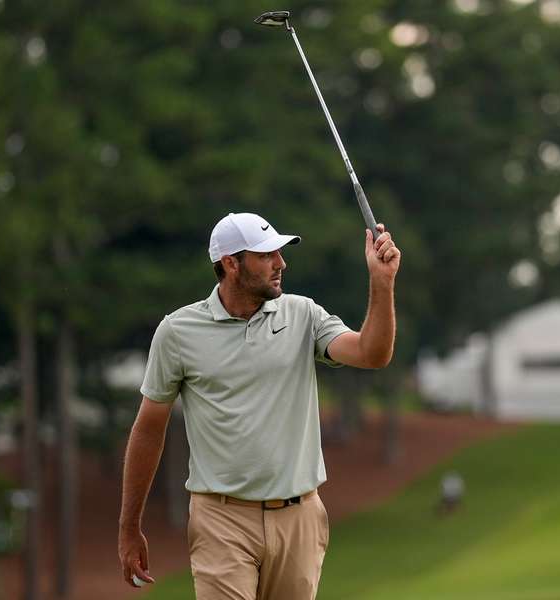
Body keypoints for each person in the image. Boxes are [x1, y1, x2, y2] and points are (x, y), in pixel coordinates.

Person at [118, 212, 401, 600]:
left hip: (299, 517)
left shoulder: (304, 314)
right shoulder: (177, 332)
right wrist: (129, 527)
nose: (281, 263)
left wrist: (381, 284)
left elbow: (372, 353)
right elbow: (149, 429)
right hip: (221, 519)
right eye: (266, 255)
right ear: (231, 263)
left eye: (279, 253)